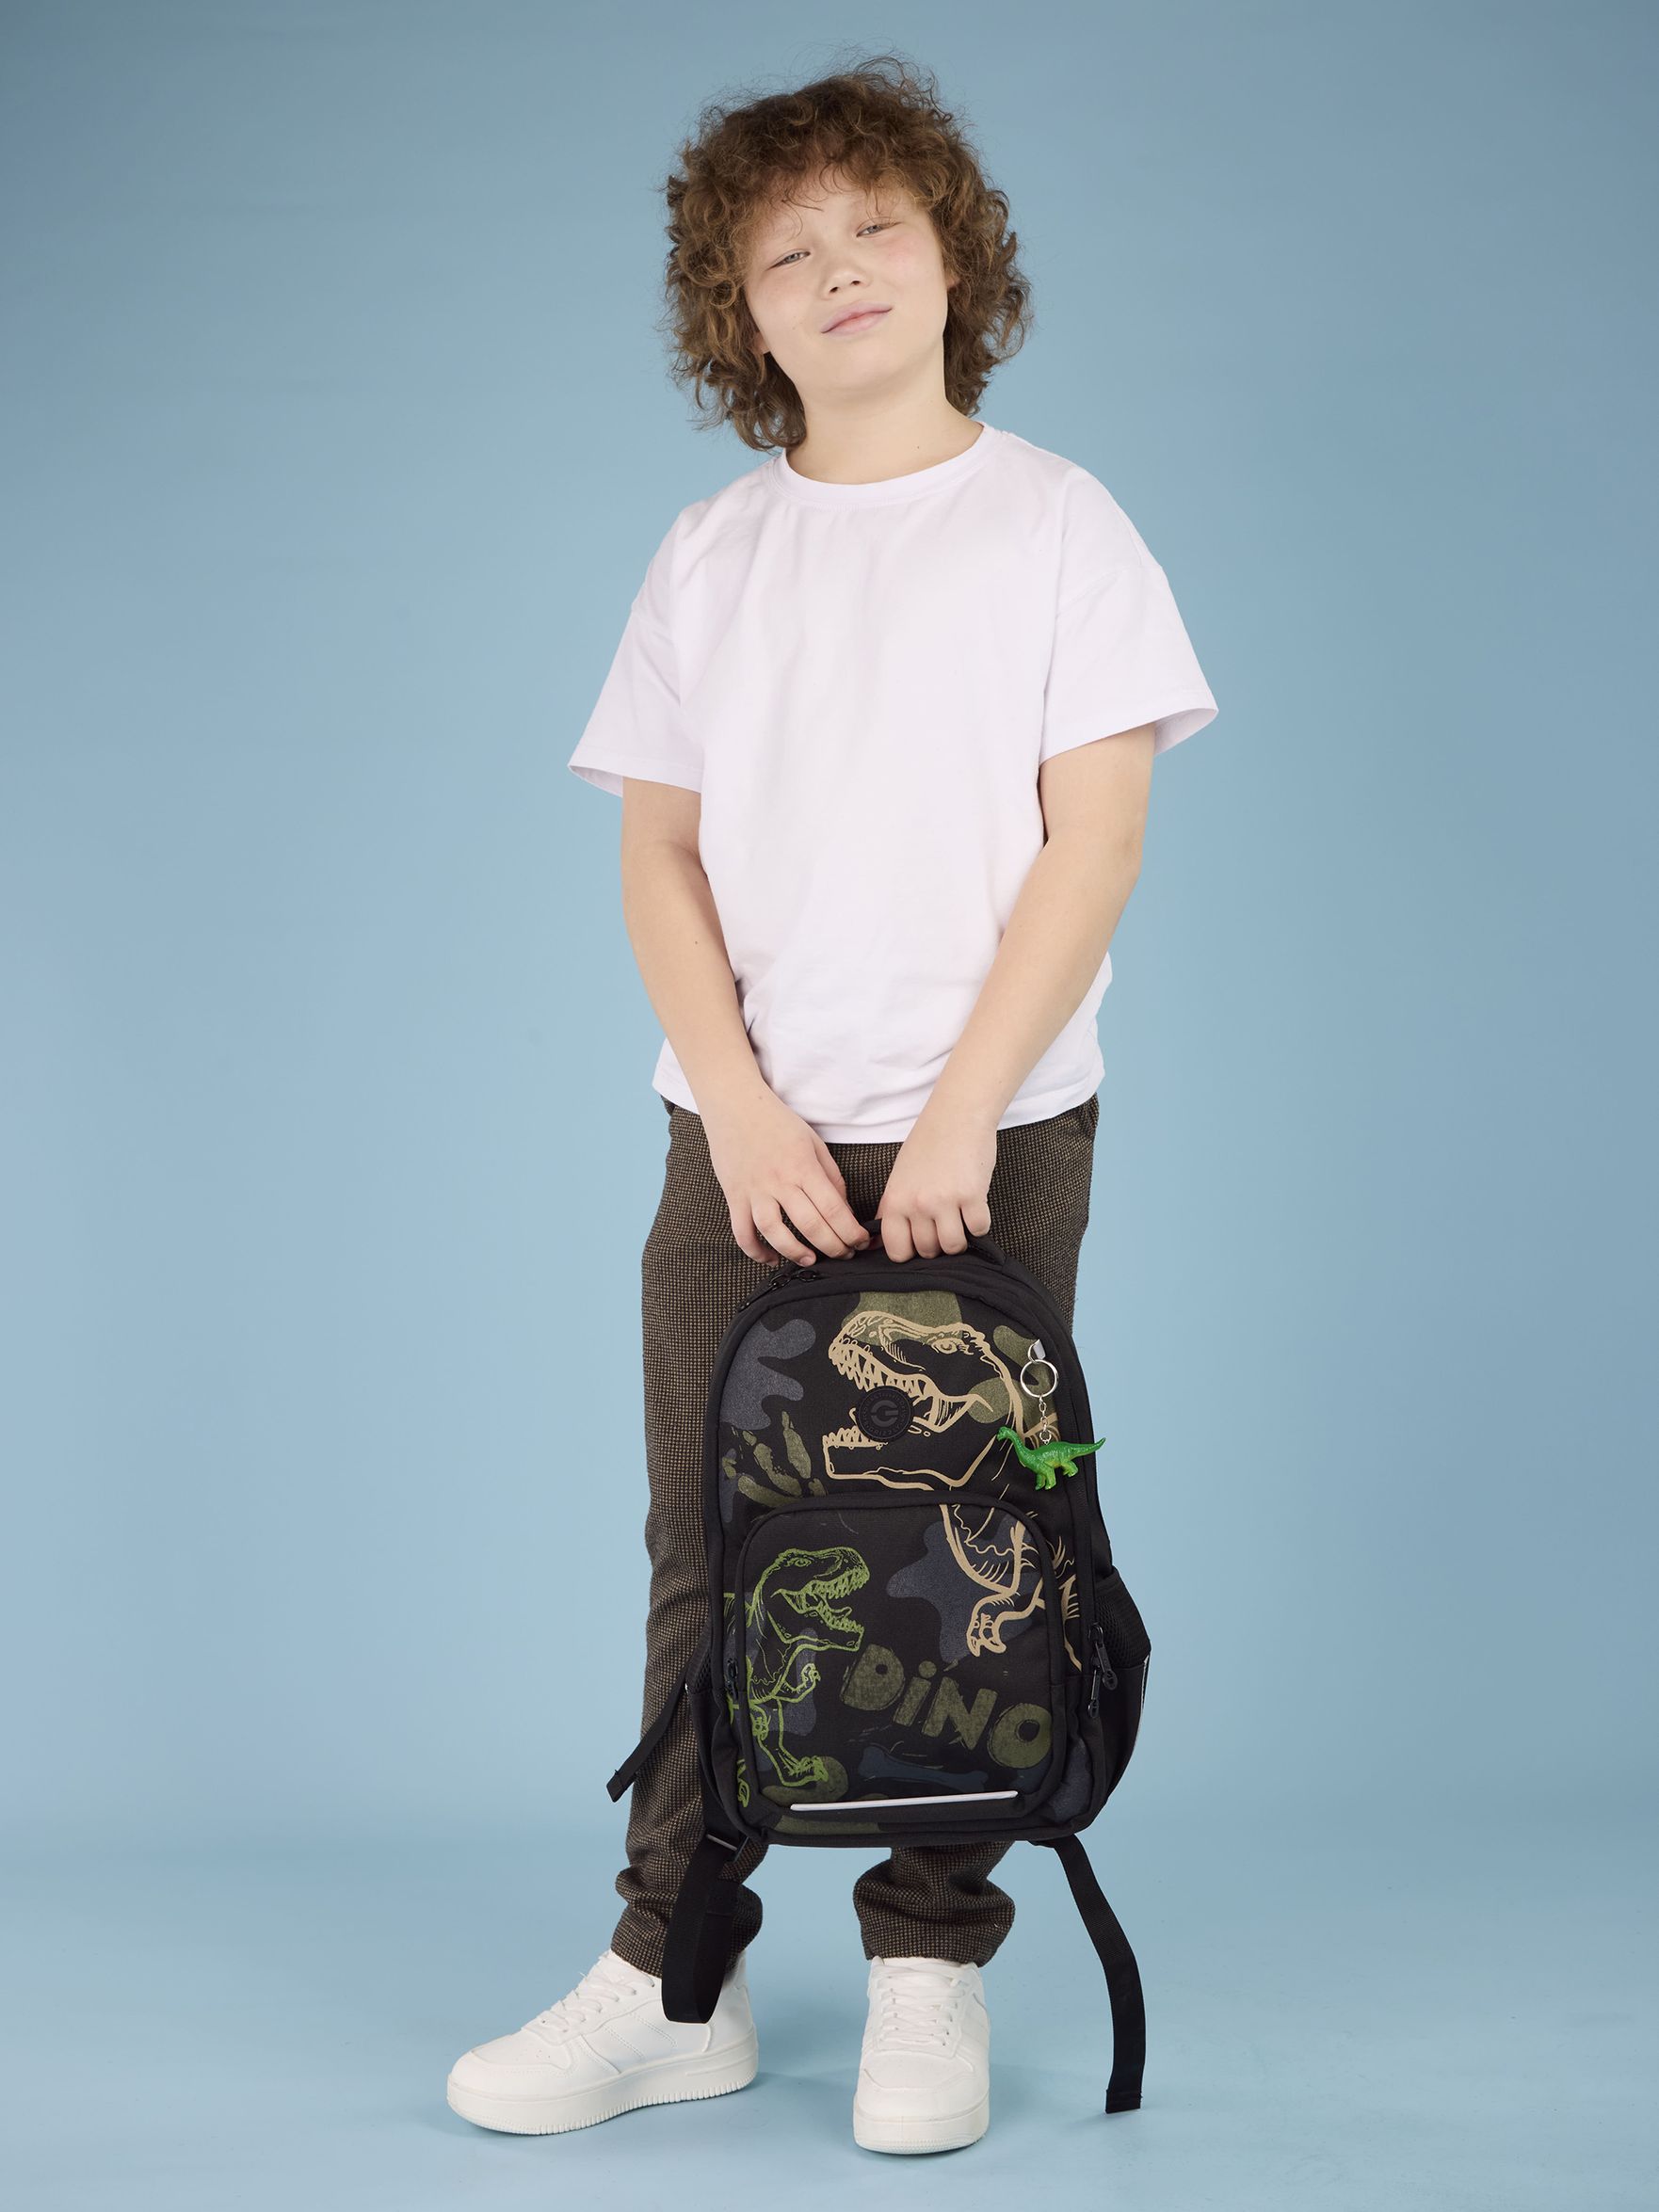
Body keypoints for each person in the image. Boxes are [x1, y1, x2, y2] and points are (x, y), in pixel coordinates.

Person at [446, 54, 1217, 2154]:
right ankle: (671, 1973)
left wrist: (959, 1114)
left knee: (966, 1544)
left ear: (954, 255)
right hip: (746, 1144)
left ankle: (926, 1969)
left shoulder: (1058, 525)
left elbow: (1094, 839)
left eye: (875, 226)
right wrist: (741, 1106)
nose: (839, 268)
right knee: (707, 1541)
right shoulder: (710, 555)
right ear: (742, 315)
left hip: (996, 1130)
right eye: (786, 252)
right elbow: (657, 855)